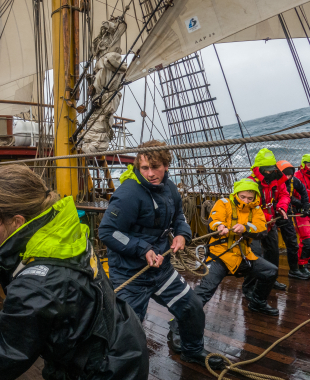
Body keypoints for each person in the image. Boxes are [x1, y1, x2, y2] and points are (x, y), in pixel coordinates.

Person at [0, 165, 149, 380]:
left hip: (102, 372)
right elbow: (19, 266)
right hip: (122, 342)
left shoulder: (37, 286)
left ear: (17, 221)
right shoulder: (59, 232)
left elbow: (2, 360)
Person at [98, 140, 225, 370]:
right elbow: (107, 231)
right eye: (144, 168)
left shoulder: (170, 189)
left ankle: (192, 350)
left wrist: (182, 235)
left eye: (155, 167)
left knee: (192, 307)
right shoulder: (128, 194)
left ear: (166, 165)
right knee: (128, 331)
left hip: (161, 270)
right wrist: (143, 249)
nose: (149, 174)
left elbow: (179, 217)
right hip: (131, 274)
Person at [194, 178, 279, 316]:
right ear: (236, 194)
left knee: (270, 271)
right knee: (205, 290)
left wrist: (245, 228)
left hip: (243, 255)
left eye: (250, 198)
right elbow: (214, 221)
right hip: (220, 256)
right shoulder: (223, 203)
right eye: (243, 197)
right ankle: (179, 324)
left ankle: (258, 302)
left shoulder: (256, 209)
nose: (246, 201)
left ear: (255, 197)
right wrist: (219, 226)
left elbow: (262, 229)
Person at [247, 148, 290, 291]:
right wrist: (268, 217)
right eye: (267, 170)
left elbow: (284, 194)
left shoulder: (276, 179)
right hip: (254, 225)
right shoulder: (250, 184)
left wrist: (282, 207)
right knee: (255, 255)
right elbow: (250, 208)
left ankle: (271, 279)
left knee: (273, 252)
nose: (270, 173)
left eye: (272, 169)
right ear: (259, 169)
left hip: (270, 223)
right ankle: (250, 286)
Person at [276, 160, 310, 280]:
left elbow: (304, 193)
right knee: (271, 247)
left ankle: (294, 270)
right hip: (272, 216)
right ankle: (271, 276)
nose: (288, 177)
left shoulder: (294, 181)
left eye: (290, 174)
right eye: (285, 174)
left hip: (286, 214)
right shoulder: (272, 182)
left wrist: (305, 208)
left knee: (292, 243)